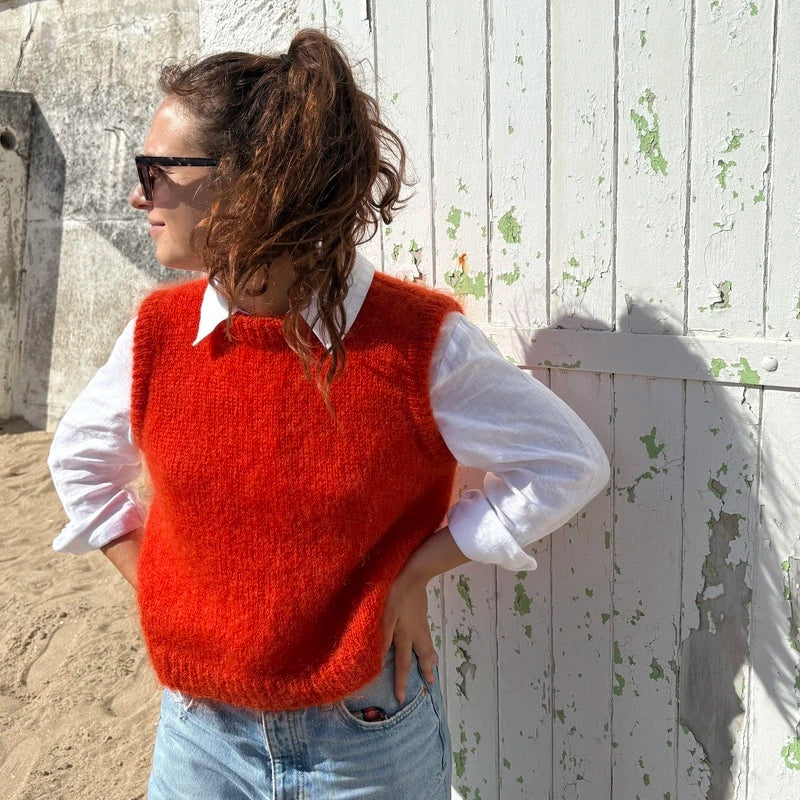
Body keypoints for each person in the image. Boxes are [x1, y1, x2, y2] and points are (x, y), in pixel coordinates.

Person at [47, 28, 610, 800]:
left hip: (363, 734)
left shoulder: (413, 343)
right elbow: (78, 461)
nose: (140, 195)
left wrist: (418, 567)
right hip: (198, 734)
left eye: (159, 170)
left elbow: (565, 463)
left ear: (251, 187)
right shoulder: (158, 336)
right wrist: (161, 591)